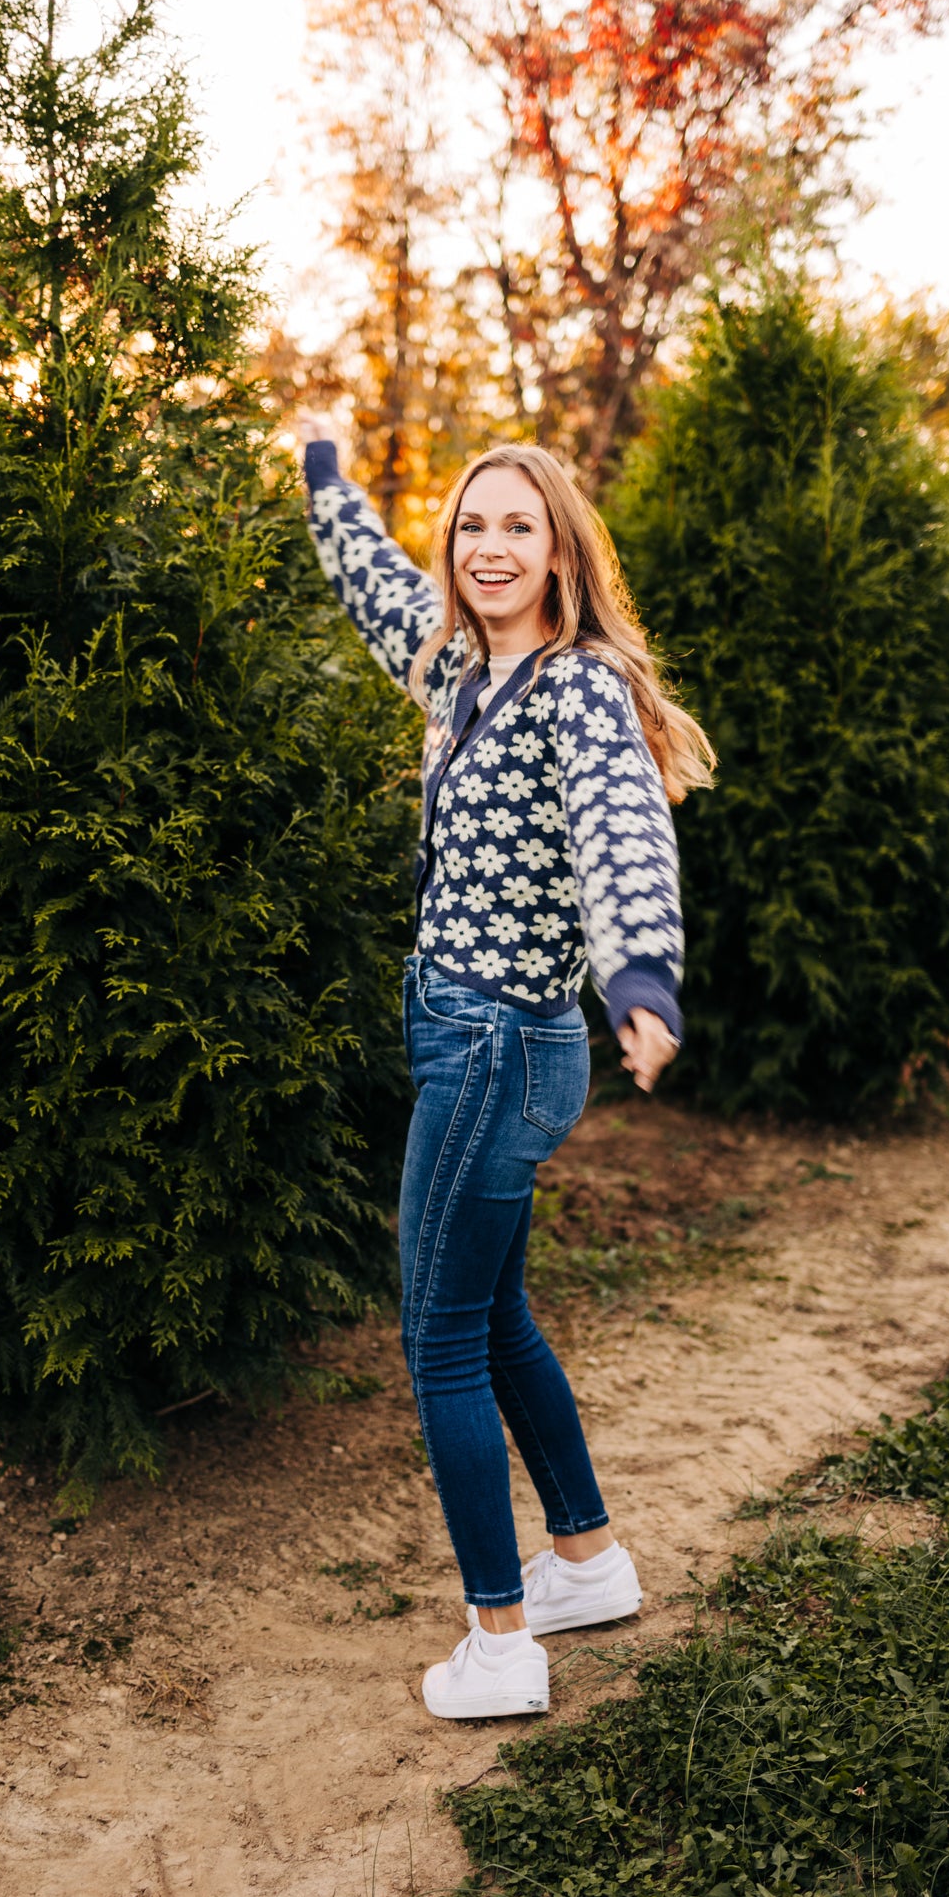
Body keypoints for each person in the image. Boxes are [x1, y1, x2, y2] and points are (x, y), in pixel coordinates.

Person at [299, 413, 715, 1720]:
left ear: (559, 552)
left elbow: (618, 832)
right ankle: (583, 1562)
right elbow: (373, 581)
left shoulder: (579, 687)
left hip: (496, 1044)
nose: (486, 547)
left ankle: (499, 1643)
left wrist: (640, 979)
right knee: (495, 1320)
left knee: (436, 1343)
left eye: (513, 527)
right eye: (469, 526)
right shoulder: (454, 670)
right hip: (474, 1042)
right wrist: (324, 476)